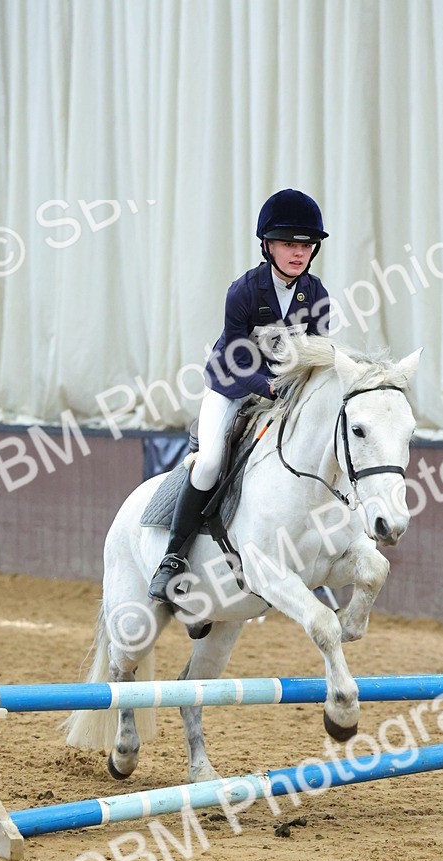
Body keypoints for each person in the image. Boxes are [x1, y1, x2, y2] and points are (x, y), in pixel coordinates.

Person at [147, 188, 330, 603]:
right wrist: (268, 388)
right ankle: (173, 558)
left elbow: (318, 355)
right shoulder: (244, 291)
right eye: (288, 243)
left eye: (305, 245)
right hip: (232, 386)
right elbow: (235, 358)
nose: (298, 253)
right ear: (267, 246)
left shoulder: (316, 294)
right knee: (211, 461)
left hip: (284, 393)